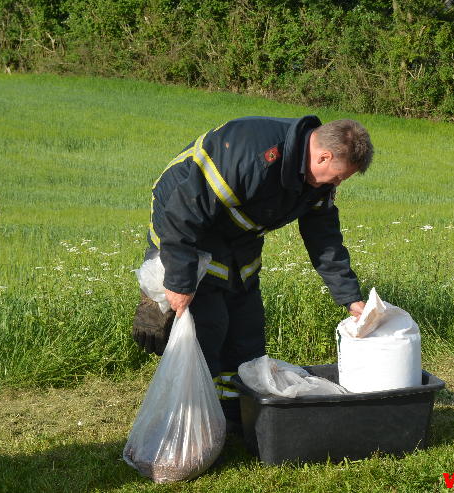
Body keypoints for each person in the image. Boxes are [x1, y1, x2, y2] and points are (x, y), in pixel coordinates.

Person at [132, 115, 373, 426]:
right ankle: (194, 422)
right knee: (209, 323)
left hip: (239, 231)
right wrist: (177, 281)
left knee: (247, 329)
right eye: (339, 177)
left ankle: (237, 418)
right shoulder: (249, 154)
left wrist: (350, 298)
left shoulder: (315, 182)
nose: (337, 184)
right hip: (184, 216)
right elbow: (184, 214)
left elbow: (324, 239)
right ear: (323, 155)